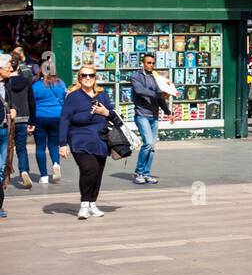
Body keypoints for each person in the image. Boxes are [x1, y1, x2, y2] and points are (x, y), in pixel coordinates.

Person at [58, 63, 120, 219]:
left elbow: (114, 116)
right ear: (79, 78)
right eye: (84, 75)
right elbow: (64, 120)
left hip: (101, 140)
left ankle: (93, 203)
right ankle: (84, 205)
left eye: (90, 75)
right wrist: (62, 144)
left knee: (97, 173)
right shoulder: (73, 96)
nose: (87, 78)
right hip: (80, 139)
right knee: (89, 169)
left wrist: (106, 112)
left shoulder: (102, 95)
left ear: (95, 77)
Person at [128, 53, 180, 185]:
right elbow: (140, 91)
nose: (150, 65)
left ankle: (146, 173)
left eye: (152, 63)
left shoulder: (155, 78)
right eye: (148, 63)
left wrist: (168, 112)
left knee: (151, 147)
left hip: (154, 116)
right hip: (142, 115)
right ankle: (138, 172)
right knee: (148, 143)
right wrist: (157, 94)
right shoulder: (135, 76)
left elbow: (160, 98)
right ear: (143, 63)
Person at [30, 61, 67, 184]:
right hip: (57, 117)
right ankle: (56, 164)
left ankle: (44, 176)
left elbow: (32, 103)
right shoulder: (61, 84)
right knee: (53, 145)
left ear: (42, 71)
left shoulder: (36, 86)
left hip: (40, 117)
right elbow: (64, 98)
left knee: (40, 147)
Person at [2, 51, 33, 189]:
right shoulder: (25, 81)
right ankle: (24, 170)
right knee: (21, 148)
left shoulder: (7, 83)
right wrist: (32, 120)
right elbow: (32, 101)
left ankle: (6, 175)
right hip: (23, 118)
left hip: (9, 121)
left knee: (8, 150)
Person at [0, 55, 15, 218]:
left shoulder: (7, 84)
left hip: (5, 131)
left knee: (1, 169)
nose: (11, 68)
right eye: (8, 66)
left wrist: (13, 109)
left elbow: (10, 103)